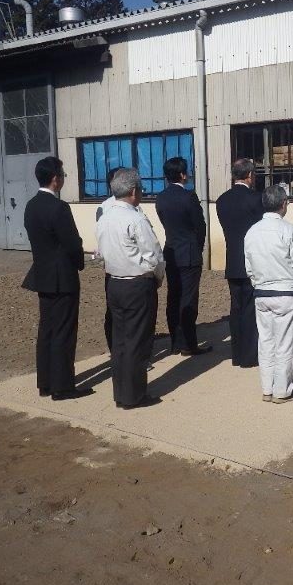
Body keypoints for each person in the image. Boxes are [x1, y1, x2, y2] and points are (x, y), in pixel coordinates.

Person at [21, 156, 93, 401]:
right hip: (62, 277)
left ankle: (46, 382)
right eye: (62, 175)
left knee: (47, 330)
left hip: (42, 274)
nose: (63, 179)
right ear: (55, 179)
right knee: (64, 332)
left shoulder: (31, 205)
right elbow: (72, 243)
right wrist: (80, 262)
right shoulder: (59, 208)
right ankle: (62, 386)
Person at [96, 168, 165, 409]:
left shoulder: (104, 217)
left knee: (120, 341)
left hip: (114, 282)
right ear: (134, 191)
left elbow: (101, 253)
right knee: (137, 341)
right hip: (137, 283)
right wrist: (158, 277)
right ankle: (134, 395)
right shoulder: (136, 219)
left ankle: (121, 392)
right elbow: (154, 254)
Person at [244, 184, 293, 403]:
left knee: (266, 342)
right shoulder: (290, 231)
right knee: (285, 343)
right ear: (284, 204)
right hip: (285, 292)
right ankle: (282, 391)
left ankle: (267, 388)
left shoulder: (252, 231)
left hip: (262, 293)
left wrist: (257, 283)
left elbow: (249, 266)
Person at [154, 157, 212, 355]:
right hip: (189, 253)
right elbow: (200, 226)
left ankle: (176, 342)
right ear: (182, 174)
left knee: (173, 297)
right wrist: (198, 247)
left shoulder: (161, 197)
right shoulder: (189, 197)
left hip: (170, 251)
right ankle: (189, 344)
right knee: (188, 299)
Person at [216, 158, 263, 368]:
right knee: (250, 309)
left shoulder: (221, 200)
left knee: (236, 309)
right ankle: (249, 355)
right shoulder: (256, 199)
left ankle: (237, 353)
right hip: (253, 260)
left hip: (232, 259)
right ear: (250, 175)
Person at [96, 167, 121, 352]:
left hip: (131, 268)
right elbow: (101, 237)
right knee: (113, 309)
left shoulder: (134, 204)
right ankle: (115, 349)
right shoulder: (104, 207)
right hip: (113, 267)